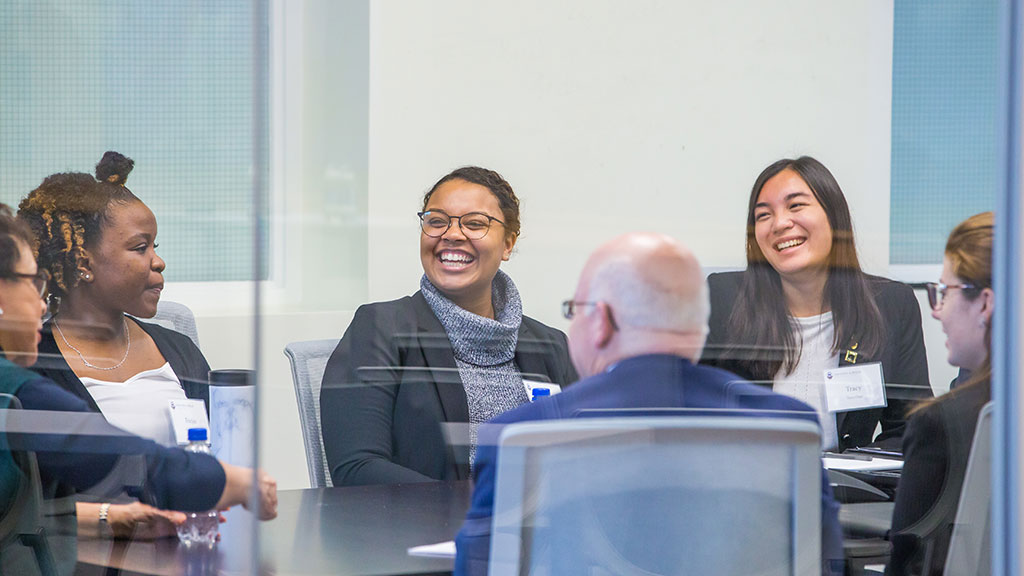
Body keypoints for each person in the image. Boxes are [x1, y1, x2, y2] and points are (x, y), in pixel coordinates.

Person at [453, 232, 842, 575]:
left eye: (576, 311)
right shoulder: (789, 427)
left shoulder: (520, 436)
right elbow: (824, 564)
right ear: (697, 328)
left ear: (602, 321)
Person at [0, 203, 275, 571]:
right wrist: (233, 482)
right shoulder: (16, 385)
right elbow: (109, 454)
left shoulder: (176, 348)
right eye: (32, 283)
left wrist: (109, 518)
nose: (40, 302)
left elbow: (21, 511)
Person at [320, 166, 577, 486]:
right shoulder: (380, 330)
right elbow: (357, 468)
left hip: (544, 531)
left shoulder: (550, 345)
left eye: (474, 224)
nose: (452, 234)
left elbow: (585, 460)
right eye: (436, 221)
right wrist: (482, 509)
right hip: (428, 531)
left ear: (508, 244)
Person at [17, 152, 214, 537]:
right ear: (83, 261)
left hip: (190, 547)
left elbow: (220, 457)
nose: (158, 262)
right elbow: (31, 507)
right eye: (141, 248)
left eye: (156, 247)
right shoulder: (34, 364)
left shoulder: (179, 350)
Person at [703, 156, 930, 451]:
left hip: (848, 492)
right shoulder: (723, 298)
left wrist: (856, 472)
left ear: (833, 216)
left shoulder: (890, 304)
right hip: (748, 485)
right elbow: (692, 415)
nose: (780, 223)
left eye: (795, 206)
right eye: (763, 215)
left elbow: (909, 430)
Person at [887, 212, 994, 576]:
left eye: (944, 292)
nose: (937, 311)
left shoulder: (940, 424)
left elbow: (908, 566)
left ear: (984, 303)